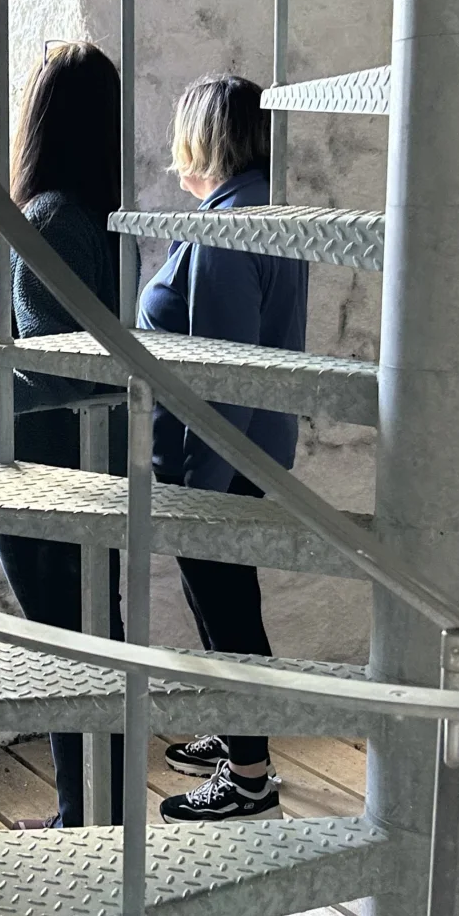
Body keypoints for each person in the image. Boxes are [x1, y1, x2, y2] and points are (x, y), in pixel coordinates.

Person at [0, 41, 126, 829]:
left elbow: (68, 365)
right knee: (92, 650)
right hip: (85, 466)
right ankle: (94, 814)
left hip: (45, 468)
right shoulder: (93, 213)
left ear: (42, 117)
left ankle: (85, 821)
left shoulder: (45, 217)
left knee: (73, 659)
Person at [138, 75, 305, 822]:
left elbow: (224, 371)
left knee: (228, 610)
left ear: (203, 134)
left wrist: (199, 479)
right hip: (246, 452)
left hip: (215, 460)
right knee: (225, 603)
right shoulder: (259, 208)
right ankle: (238, 731)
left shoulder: (226, 228)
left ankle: (250, 778)